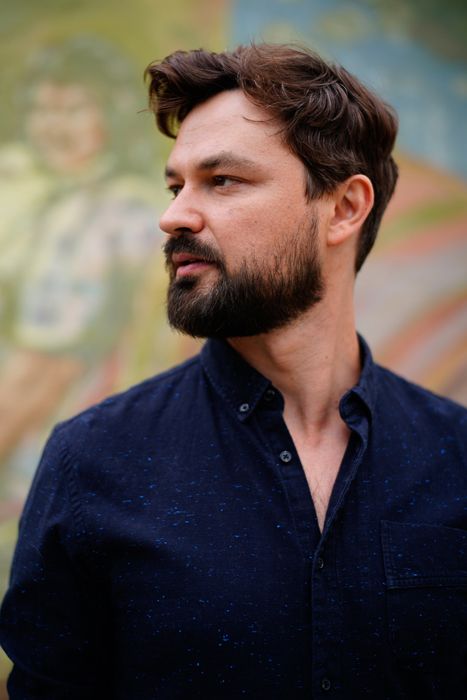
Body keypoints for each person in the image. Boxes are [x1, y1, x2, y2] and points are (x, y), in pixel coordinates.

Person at [0, 43, 466, 699]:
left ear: (343, 208)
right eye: (175, 186)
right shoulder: (93, 460)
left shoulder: (455, 455)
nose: (173, 216)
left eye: (222, 180)